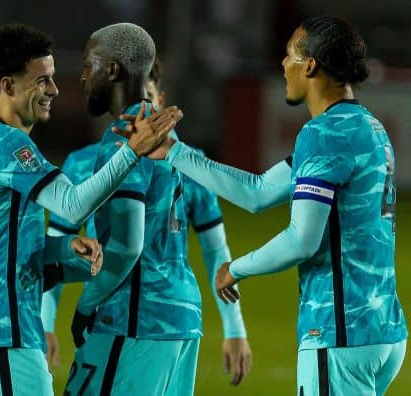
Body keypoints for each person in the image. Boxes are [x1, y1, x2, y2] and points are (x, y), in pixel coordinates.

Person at [121, 15, 408, 396]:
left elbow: (302, 240)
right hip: (384, 329)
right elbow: (257, 192)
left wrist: (235, 269)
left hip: (340, 330)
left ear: (310, 65)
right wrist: (174, 152)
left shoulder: (321, 134)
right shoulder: (368, 128)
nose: (283, 64)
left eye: (290, 55)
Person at [0, 24, 182, 396]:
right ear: (8, 86)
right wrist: (132, 152)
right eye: (43, 81)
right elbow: (74, 203)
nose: (54, 90)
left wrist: (62, 249)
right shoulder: (7, 146)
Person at [41, 57, 252, 387]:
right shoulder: (82, 163)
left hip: (128, 315)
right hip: (171, 315)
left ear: (161, 102)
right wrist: (46, 323)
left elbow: (214, 250)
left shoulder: (184, 160)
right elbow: (60, 240)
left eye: (150, 102)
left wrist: (235, 328)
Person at [59, 22, 203, 396]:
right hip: (181, 315)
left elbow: (127, 244)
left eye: (90, 64)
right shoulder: (165, 134)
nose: (83, 76)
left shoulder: (128, 136)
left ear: (112, 69)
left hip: (134, 318)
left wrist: (86, 305)